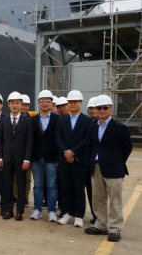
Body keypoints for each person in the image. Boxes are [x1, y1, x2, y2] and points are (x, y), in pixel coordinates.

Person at [84, 95, 133, 242]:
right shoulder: (93, 127)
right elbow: (91, 146)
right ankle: (101, 225)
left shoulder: (120, 128)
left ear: (111, 108)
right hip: (96, 168)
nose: (102, 110)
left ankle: (115, 229)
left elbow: (127, 148)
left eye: (105, 107)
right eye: (99, 108)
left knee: (114, 200)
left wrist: (117, 162)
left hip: (114, 169)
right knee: (98, 198)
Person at [55, 90, 93, 227]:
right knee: (65, 188)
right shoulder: (62, 120)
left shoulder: (87, 121)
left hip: (79, 160)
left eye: (75, 102)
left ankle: (78, 216)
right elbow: (58, 137)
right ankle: (66, 213)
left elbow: (87, 139)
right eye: (70, 102)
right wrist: (66, 152)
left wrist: (73, 152)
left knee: (78, 188)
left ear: (81, 103)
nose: (72, 104)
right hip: (65, 159)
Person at [0, 91, 33, 221]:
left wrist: (27, 159)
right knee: (7, 185)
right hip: (6, 158)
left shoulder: (27, 121)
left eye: (17, 103)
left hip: (21, 159)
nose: (15, 105)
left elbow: (29, 142)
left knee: (21, 185)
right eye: (12, 103)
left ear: (21, 104)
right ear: (8, 104)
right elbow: (0, 140)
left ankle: (19, 211)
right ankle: (7, 210)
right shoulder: (4, 120)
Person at [29, 90, 60, 222]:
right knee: (38, 185)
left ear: (52, 103)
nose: (45, 104)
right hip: (36, 158)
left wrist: (59, 157)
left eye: (48, 101)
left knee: (52, 185)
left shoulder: (58, 119)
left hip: (52, 158)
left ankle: (52, 210)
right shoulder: (33, 120)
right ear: (38, 103)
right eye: (42, 101)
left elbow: (60, 140)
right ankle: (37, 209)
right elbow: (30, 140)